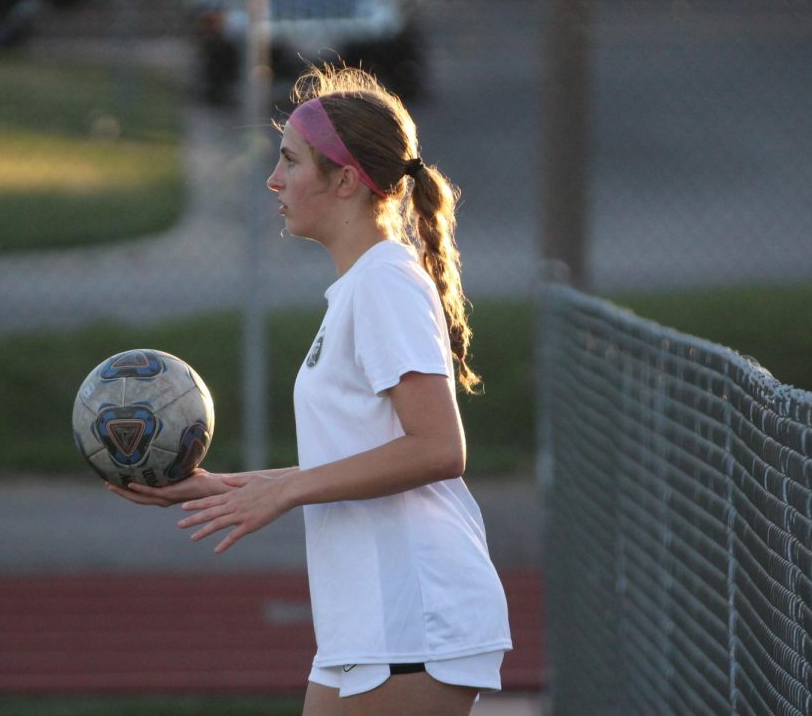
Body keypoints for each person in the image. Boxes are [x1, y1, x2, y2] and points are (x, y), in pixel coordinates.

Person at [107, 65, 513, 715]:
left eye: (291, 162)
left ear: (346, 180)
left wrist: (284, 492)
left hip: (412, 616)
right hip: (369, 623)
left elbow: (438, 449)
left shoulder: (384, 282)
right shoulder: (360, 286)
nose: (273, 180)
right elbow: (358, 453)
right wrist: (226, 487)